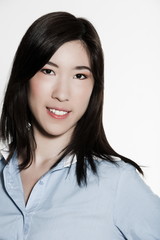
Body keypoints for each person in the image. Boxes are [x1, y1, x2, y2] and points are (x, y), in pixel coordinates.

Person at [0, 11, 160, 240]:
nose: (62, 94)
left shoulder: (117, 183)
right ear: (24, 77)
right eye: (48, 71)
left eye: (80, 76)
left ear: (94, 88)